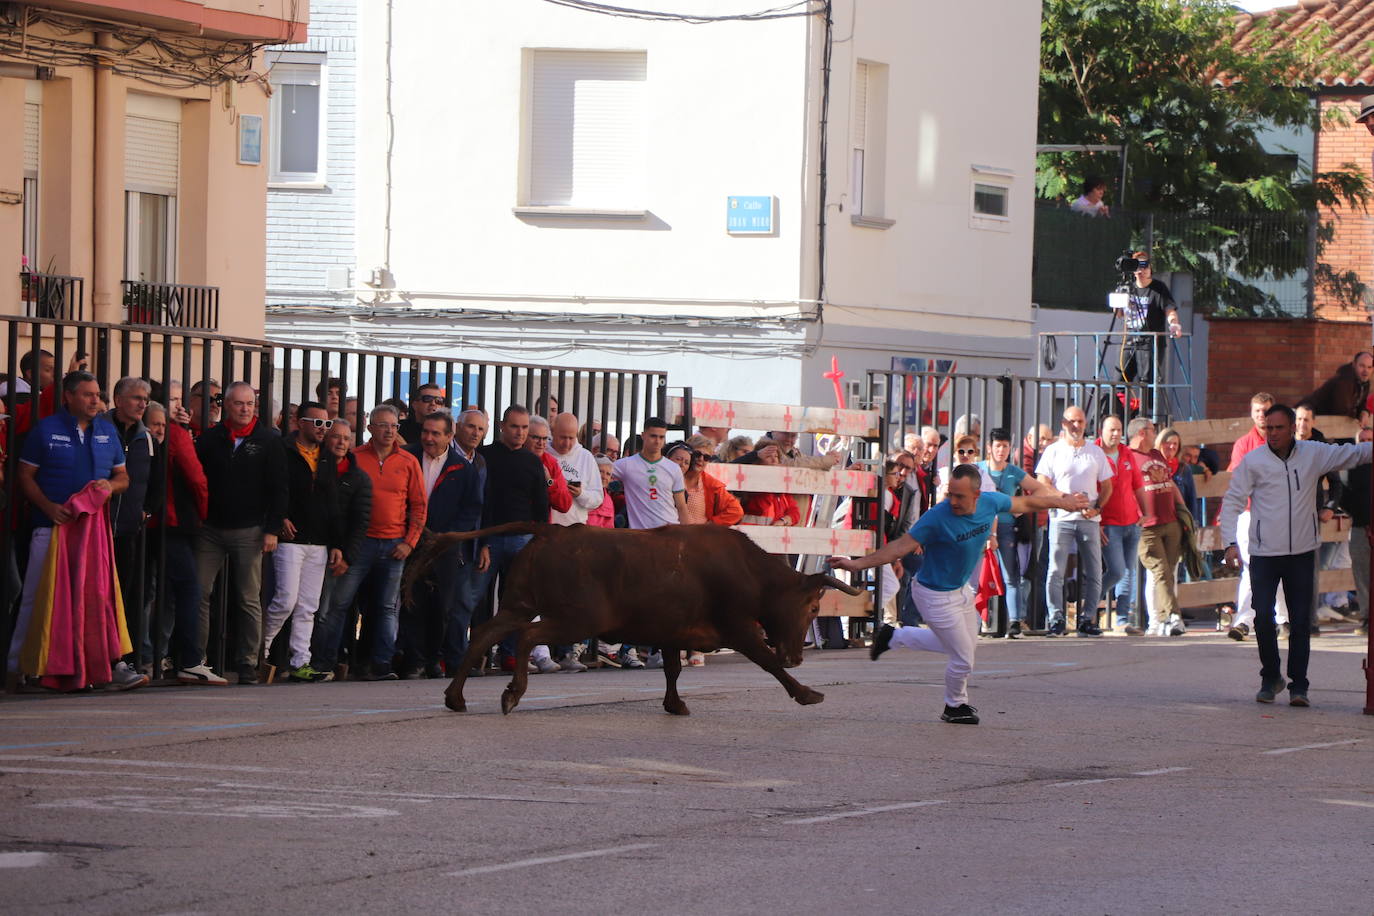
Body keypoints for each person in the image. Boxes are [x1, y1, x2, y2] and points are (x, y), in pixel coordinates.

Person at [831, 466, 1088, 725]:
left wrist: (1062, 502)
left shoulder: (990, 502)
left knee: (958, 645)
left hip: (960, 590)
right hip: (933, 594)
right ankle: (955, 705)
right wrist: (856, 564)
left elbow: (1027, 501)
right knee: (963, 656)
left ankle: (894, 636)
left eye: (960, 496)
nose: (952, 501)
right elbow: (898, 547)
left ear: (977, 494)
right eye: (950, 494)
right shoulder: (936, 517)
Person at [1220, 404, 1372, 706]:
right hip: (1264, 552)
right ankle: (1270, 677)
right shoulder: (1254, 461)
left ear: (1292, 429)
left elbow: (1354, 454)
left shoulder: (1313, 453)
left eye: (1278, 428)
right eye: (1268, 428)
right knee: (1263, 617)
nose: (1272, 433)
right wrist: (1229, 544)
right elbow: (1233, 500)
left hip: (1302, 551)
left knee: (1301, 621)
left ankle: (1299, 686)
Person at [6, 371, 139, 692]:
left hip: (93, 534)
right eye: (87, 394)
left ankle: (86, 666)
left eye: (97, 394)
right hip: (51, 527)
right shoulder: (46, 430)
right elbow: (25, 475)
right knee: (39, 596)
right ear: (68, 397)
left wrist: (110, 485)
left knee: (92, 597)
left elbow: (123, 477)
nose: (95, 400)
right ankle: (19, 667)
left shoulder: (107, 432)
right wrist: (48, 507)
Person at [319, 404, 426, 681]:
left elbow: (419, 507)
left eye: (394, 426)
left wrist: (410, 543)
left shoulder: (408, 461)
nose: (390, 431)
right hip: (360, 544)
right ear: (369, 428)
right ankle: (326, 662)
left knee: (387, 607)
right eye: (383, 425)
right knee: (340, 603)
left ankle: (382, 665)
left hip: (394, 545)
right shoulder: (355, 457)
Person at [193, 381, 288, 684]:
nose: (245, 409)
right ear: (226, 406)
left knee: (248, 598)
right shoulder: (210, 438)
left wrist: (272, 529)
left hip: (250, 530)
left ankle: (248, 663)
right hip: (210, 529)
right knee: (200, 593)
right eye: (239, 404)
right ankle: (197, 660)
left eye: (249, 404)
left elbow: (279, 489)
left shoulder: (270, 440)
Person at [400, 408, 484, 679]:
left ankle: (434, 659)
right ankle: (413, 660)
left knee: (441, 606)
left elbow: (472, 509)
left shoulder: (463, 469)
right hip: (410, 541)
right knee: (410, 602)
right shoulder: (407, 457)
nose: (429, 438)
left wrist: (449, 536)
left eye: (436, 433)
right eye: (425, 431)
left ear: (450, 436)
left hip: (445, 546)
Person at [262, 403, 339, 683]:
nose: (323, 429)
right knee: (284, 600)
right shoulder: (282, 450)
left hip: (318, 541)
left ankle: (300, 661)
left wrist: (336, 543)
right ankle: (262, 649)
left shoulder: (328, 456)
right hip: (290, 540)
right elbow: (273, 487)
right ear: (299, 422)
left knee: (308, 606)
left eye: (327, 424)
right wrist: (278, 518)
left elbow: (332, 502)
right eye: (317, 423)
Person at [144, 398, 216, 685]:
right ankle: (186, 660)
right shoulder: (176, 435)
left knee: (152, 593)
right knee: (186, 590)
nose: (161, 428)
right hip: (171, 524)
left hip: (147, 524)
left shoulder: (137, 437)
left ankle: (150, 657)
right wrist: (201, 515)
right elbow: (197, 480)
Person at [475, 405, 550, 672]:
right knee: (479, 597)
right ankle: (478, 653)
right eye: (515, 426)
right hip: (490, 537)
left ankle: (509, 654)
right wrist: (481, 540)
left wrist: (539, 542)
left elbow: (542, 506)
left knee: (516, 602)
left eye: (524, 428)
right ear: (501, 426)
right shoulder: (484, 456)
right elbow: (478, 500)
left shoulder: (533, 462)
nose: (520, 433)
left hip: (523, 540)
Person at [610, 417, 687, 669]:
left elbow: (681, 505)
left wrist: (688, 537)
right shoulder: (626, 465)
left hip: (670, 540)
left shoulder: (672, 468)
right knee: (637, 597)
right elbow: (600, 474)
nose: (657, 441)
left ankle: (658, 650)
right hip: (641, 542)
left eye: (662, 437)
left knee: (669, 599)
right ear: (643, 435)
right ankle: (628, 649)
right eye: (653, 436)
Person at [1036, 405, 1113, 637]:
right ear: (1063, 424)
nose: (1076, 426)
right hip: (1061, 517)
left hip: (1089, 517)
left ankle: (1088, 618)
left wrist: (1097, 507)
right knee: (1055, 570)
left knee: (1094, 570)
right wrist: (1064, 498)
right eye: (1072, 422)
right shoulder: (1053, 450)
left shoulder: (1096, 452)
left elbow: (1108, 485)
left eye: (1080, 422)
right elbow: (1042, 482)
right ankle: (1056, 618)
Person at [308, 419, 373, 680]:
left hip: (340, 554)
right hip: (311, 546)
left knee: (329, 610)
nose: (341, 442)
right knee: (307, 608)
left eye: (346, 438)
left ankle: (324, 662)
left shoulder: (358, 478)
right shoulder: (315, 469)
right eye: (336, 437)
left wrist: (347, 555)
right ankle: (301, 659)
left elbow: (361, 522)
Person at [106, 377, 161, 675]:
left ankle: (121, 658)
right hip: (97, 530)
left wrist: (147, 510)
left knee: (125, 595)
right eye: (136, 398)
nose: (142, 403)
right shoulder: (101, 430)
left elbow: (157, 481)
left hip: (129, 531)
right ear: (118, 399)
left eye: (146, 399)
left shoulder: (148, 438)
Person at [1227, 392, 1280, 641]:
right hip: (1249, 513)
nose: (1261, 415)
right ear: (1252, 413)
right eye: (1257, 411)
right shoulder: (1243, 444)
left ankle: (1283, 619)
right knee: (1252, 567)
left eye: (1265, 410)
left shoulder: (1281, 441)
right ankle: (1244, 620)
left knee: (1281, 567)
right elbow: (1240, 479)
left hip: (1277, 514)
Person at [1098, 416, 1148, 634]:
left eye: (1119, 430)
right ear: (1102, 431)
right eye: (1111, 430)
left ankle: (1122, 620)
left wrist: (1146, 513)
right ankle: (1090, 604)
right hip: (1109, 523)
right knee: (1117, 571)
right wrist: (1096, 522)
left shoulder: (1127, 453)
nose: (1116, 434)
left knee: (1129, 572)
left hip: (1131, 522)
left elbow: (1138, 485)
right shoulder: (1095, 453)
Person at [1137, 443, 1188, 637]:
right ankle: (1164, 619)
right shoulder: (1131, 456)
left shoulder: (1156, 455)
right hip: (1148, 524)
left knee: (1168, 573)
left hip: (1170, 520)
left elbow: (1171, 484)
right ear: (1142, 434)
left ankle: (1165, 620)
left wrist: (1183, 512)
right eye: (1151, 429)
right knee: (1159, 572)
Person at [1120, 252, 1183, 392]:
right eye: (1137, 267)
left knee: (1147, 381)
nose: (1141, 271)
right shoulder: (1128, 288)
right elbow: (1118, 314)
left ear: (1150, 268)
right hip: (1130, 340)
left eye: (1145, 266)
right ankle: (1120, 410)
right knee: (1120, 378)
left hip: (1150, 342)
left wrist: (1174, 324)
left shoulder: (1159, 288)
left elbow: (1170, 309)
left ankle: (1145, 411)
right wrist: (1118, 300)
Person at [1339, 425, 1372, 637]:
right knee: (1362, 575)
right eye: (1363, 441)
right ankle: (1367, 617)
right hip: (1360, 527)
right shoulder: (1350, 466)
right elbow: (1344, 496)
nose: (1367, 444)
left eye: (1371, 439)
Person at [549, 412, 605, 527]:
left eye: (571, 438)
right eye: (563, 437)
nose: (567, 443)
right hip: (547, 527)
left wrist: (580, 494)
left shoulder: (586, 457)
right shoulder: (543, 453)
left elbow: (598, 498)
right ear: (553, 431)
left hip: (575, 530)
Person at [1304, 351, 1372, 421]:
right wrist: (1357, 415)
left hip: (1324, 420)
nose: (1365, 371)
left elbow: (1360, 403)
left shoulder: (1364, 382)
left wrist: (1364, 411)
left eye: (1369, 367)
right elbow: (1341, 409)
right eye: (1362, 366)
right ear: (1354, 365)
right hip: (1307, 414)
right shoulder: (1344, 380)